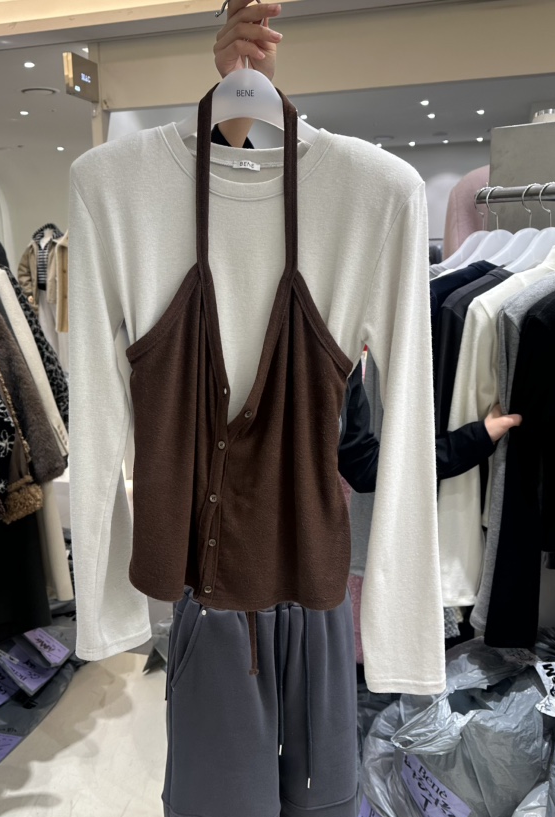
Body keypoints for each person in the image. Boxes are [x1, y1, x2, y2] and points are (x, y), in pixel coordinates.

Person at [212, 0, 522, 489]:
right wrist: (242, 94)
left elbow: (364, 464)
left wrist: (478, 436)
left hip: (298, 531)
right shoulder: (244, 292)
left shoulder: (341, 345)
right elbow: (225, 221)